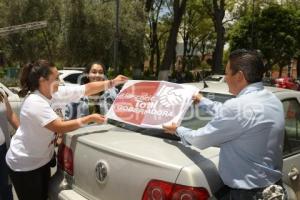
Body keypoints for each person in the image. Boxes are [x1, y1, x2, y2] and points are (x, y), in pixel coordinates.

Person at [163, 49, 285, 200]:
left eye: (227, 73)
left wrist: (177, 129)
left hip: (246, 195)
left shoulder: (239, 106)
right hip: (273, 190)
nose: (225, 78)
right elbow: (236, 117)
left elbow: (200, 139)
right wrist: (202, 101)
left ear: (239, 76)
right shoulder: (273, 100)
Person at [5, 60, 128, 200]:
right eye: (56, 78)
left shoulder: (54, 92)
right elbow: (59, 126)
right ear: (43, 80)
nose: (60, 80)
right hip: (24, 165)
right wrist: (88, 119)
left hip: (41, 160)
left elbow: (87, 88)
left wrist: (113, 82)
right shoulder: (34, 102)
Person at [0, 89, 19, 200]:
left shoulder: (1, 92)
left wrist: (24, 133)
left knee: (6, 187)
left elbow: (10, 115)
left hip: (3, 149)